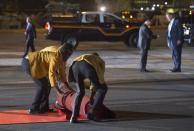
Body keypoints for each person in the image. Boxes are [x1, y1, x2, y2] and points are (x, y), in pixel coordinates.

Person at [21, 43, 74, 114]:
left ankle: (44, 107)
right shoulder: (56, 56)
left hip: (38, 64)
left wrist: (68, 86)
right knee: (42, 86)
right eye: (69, 54)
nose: (69, 56)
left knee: (47, 85)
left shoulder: (62, 59)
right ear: (65, 52)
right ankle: (33, 109)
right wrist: (57, 88)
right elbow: (51, 73)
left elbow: (62, 74)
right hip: (30, 62)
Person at [68, 53, 108, 123]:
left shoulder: (86, 56)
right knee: (102, 89)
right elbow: (99, 77)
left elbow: (93, 80)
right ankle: (92, 113)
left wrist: (92, 94)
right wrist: (92, 96)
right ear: (97, 56)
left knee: (80, 92)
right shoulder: (99, 61)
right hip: (86, 68)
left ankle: (74, 116)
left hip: (74, 66)